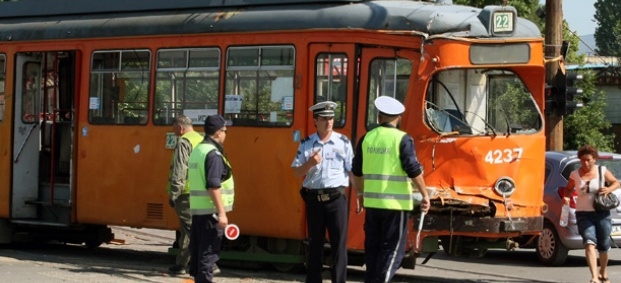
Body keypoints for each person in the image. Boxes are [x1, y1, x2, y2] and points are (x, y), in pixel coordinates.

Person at [352, 96, 430, 283]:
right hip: (396, 205)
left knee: (374, 251)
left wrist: (360, 195)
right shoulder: (402, 139)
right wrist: (425, 195)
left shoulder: (367, 138)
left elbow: (356, 171)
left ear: (379, 117)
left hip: (372, 205)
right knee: (392, 252)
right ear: (399, 118)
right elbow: (413, 170)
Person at [291, 101, 360, 283]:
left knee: (339, 246)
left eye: (331, 118)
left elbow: (351, 170)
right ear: (315, 121)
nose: (329, 122)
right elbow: (297, 171)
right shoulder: (306, 143)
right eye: (324, 119)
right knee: (315, 246)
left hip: (336, 200)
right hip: (314, 199)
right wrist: (309, 164)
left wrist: (359, 194)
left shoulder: (343, 142)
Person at [187, 115, 234, 283]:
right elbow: (213, 185)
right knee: (208, 255)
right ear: (218, 132)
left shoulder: (198, 150)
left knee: (199, 253)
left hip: (198, 211)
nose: (225, 134)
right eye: (225, 131)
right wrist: (222, 213)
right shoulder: (213, 154)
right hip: (211, 212)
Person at [563, 145, 619, 283]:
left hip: (602, 213)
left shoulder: (602, 170)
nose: (585, 163)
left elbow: (616, 183)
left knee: (604, 245)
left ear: (594, 159)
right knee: (589, 242)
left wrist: (608, 188)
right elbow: (568, 189)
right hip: (583, 214)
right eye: (582, 160)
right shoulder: (575, 174)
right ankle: (594, 277)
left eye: (588, 160)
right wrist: (566, 197)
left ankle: (603, 272)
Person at [167, 115, 204, 275]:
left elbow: (180, 169)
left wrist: (175, 193)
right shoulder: (201, 139)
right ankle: (181, 264)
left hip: (186, 193)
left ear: (180, 128)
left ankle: (208, 264)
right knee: (186, 231)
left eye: (175, 129)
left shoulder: (184, 141)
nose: (175, 132)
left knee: (192, 230)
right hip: (200, 191)